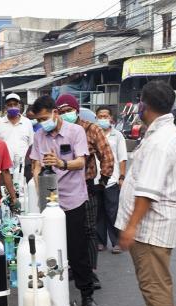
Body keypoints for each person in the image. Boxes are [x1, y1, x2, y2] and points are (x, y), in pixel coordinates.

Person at [116, 81, 176, 306]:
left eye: (140, 102)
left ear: (144, 105)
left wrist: (131, 227)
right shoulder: (158, 132)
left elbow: (148, 191)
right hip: (151, 223)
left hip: (152, 225)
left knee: (154, 282)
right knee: (151, 280)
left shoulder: (160, 140)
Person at [29, 94, 97, 306]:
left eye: (44, 118)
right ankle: (59, 297)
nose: (42, 123)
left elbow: (81, 162)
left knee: (77, 251)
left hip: (73, 199)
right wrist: (38, 192)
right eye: (38, 120)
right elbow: (36, 166)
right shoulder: (40, 136)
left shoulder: (75, 131)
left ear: (55, 113)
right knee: (52, 251)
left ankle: (87, 294)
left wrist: (60, 163)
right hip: (50, 203)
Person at [54, 93, 114, 282]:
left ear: (77, 110)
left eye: (69, 111)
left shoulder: (91, 129)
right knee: (63, 230)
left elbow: (107, 155)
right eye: (62, 112)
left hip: (86, 187)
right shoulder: (54, 132)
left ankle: (89, 271)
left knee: (88, 230)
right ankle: (72, 266)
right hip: (60, 189)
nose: (66, 114)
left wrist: (103, 182)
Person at [96, 106, 128, 254]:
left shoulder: (117, 135)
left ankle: (117, 242)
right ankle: (100, 242)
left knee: (112, 212)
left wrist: (121, 177)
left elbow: (122, 158)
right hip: (95, 180)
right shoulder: (93, 134)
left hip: (112, 180)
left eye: (105, 116)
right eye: (100, 116)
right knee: (98, 212)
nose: (102, 119)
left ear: (111, 118)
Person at [0, 93, 35, 176]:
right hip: (4, 169)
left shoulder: (27, 122)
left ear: (19, 106)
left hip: (24, 168)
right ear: (6, 107)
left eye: (15, 104)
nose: (12, 107)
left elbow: (31, 144)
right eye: (10, 105)